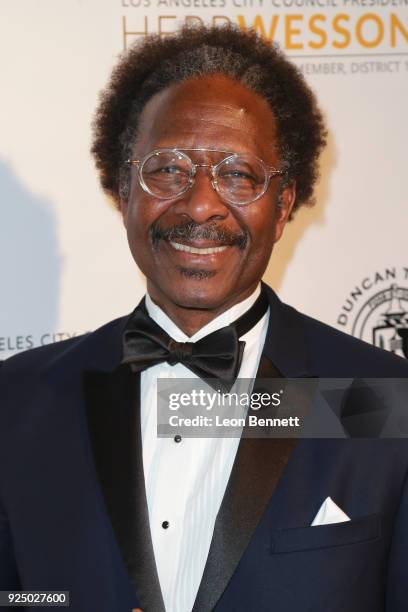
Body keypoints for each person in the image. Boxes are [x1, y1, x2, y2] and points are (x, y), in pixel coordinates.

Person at [1, 24, 408, 612]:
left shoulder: (379, 400)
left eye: (238, 175)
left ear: (285, 201)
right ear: (123, 187)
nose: (199, 204)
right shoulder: (20, 401)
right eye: (167, 170)